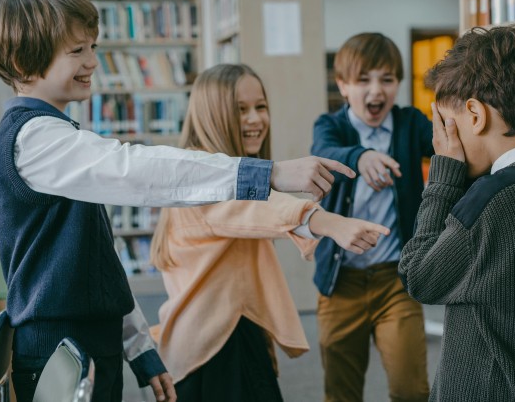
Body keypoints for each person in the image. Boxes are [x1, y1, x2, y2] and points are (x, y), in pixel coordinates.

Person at [0, 0, 354, 402]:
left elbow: (99, 263)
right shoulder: (34, 139)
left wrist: (139, 348)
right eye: (77, 50)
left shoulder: (59, 136)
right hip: (59, 351)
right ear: (23, 62)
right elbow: (137, 170)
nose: (93, 61)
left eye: (93, 47)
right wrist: (268, 173)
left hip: (89, 345)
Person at [149, 63, 390, 401]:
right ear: (212, 114)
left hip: (225, 335)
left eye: (260, 107)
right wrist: (329, 223)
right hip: (214, 349)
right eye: (240, 109)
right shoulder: (200, 174)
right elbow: (253, 206)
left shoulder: (212, 168)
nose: (255, 119)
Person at [398, 25, 515, 401]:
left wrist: (443, 174)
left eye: (446, 125)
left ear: (475, 115)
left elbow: (418, 276)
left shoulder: (493, 200)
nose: (443, 140)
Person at [310, 32, 433, 402]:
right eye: (363, 80)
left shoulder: (410, 123)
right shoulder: (331, 126)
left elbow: (446, 147)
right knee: (341, 392)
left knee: (411, 390)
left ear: (398, 84)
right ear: (343, 86)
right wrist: (360, 156)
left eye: (387, 79)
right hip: (341, 282)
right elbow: (323, 151)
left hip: (395, 279)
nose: (376, 91)